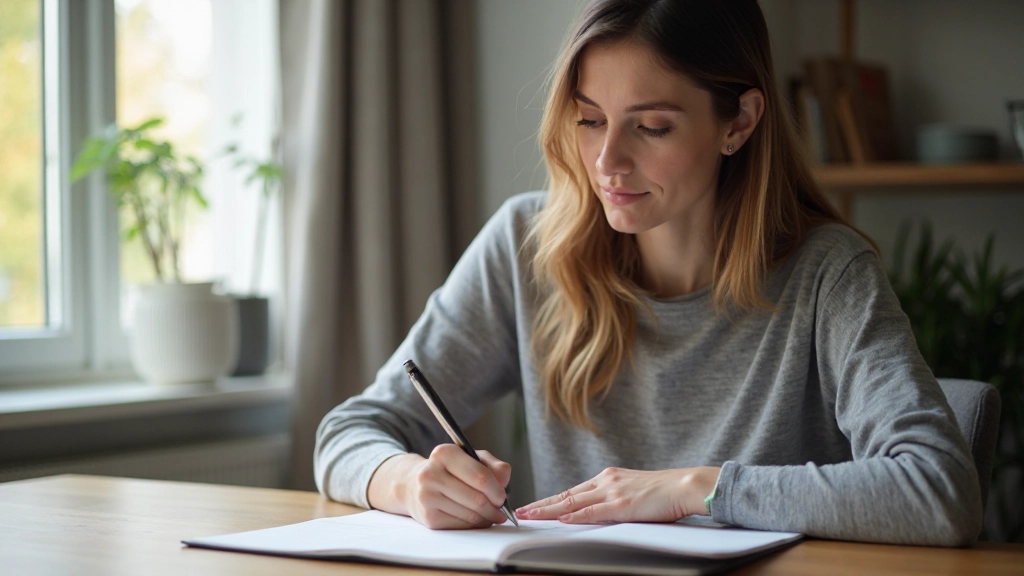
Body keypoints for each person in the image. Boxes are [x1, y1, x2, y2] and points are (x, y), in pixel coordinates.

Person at [314, 0, 981, 546]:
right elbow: (346, 433)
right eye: (589, 120)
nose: (607, 161)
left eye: (651, 127)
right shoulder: (526, 246)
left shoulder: (827, 273)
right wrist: (409, 483)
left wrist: (692, 489)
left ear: (739, 122)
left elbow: (938, 489)